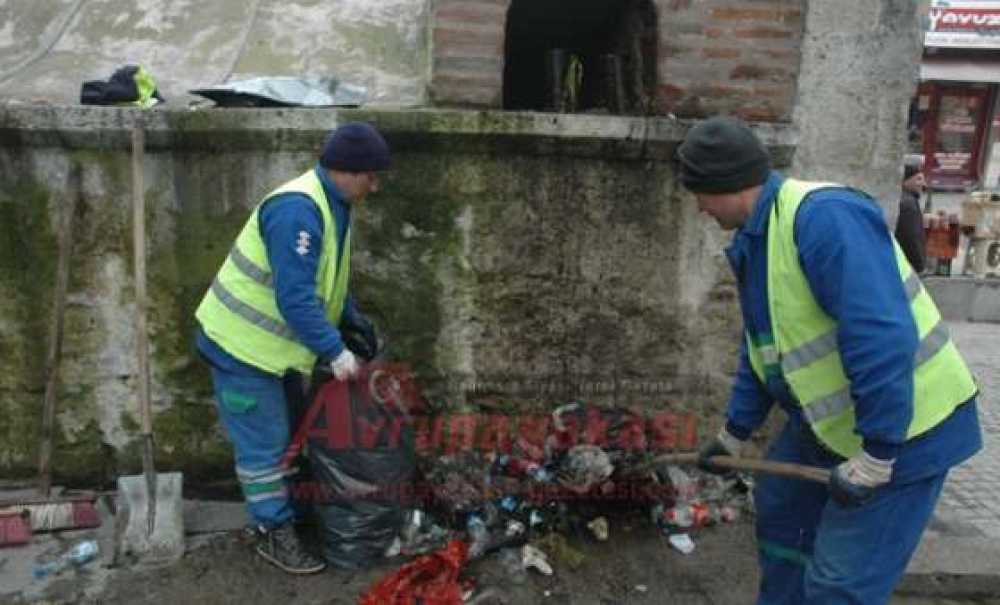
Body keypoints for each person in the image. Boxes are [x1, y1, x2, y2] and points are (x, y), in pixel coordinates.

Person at [676, 116, 982, 604]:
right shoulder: (758, 240)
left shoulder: (822, 218)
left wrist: (879, 455)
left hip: (909, 432)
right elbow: (763, 352)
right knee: (782, 520)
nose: (699, 207)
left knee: (839, 585)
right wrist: (733, 433)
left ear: (726, 184)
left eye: (700, 193)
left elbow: (881, 336)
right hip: (829, 430)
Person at [194, 122, 389, 574]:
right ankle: (272, 531)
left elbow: (325, 279)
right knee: (264, 448)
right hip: (240, 350)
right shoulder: (298, 211)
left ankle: (289, 510)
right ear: (347, 170)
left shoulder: (333, 203)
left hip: (271, 352)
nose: (375, 186)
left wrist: (351, 318)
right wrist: (335, 351)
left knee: (293, 434)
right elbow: (295, 298)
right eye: (371, 176)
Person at [895, 162, 927, 273]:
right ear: (905, 181)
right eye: (918, 179)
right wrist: (920, 265)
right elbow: (911, 237)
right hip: (906, 267)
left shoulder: (904, 199)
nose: (923, 184)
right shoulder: (908, 204)